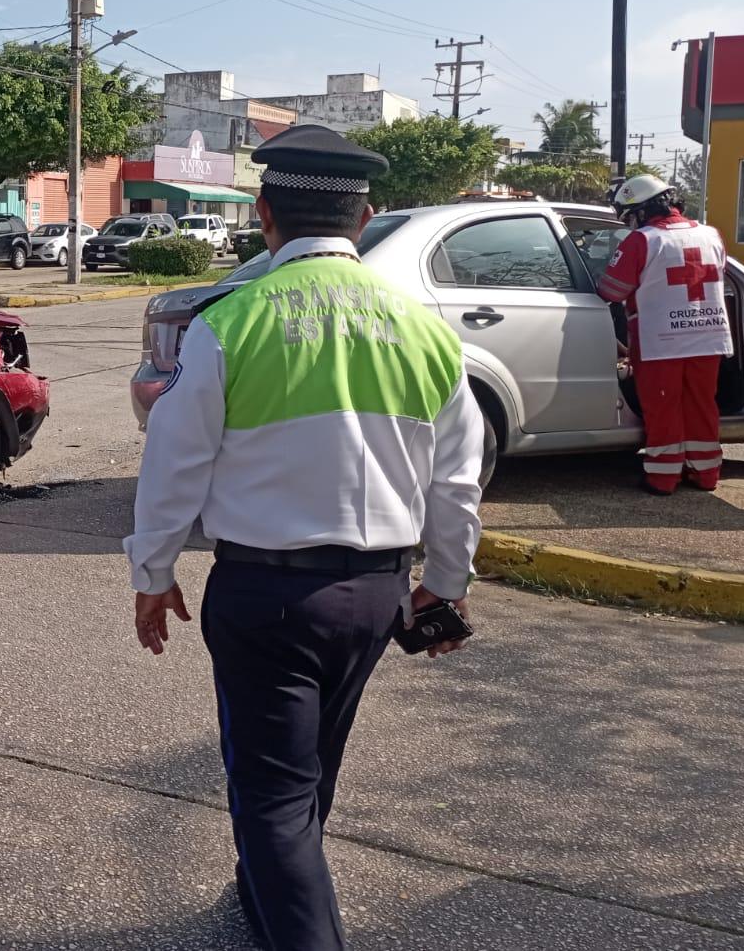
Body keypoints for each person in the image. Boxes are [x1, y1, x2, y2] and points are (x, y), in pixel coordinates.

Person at [123, 124, 484, 951]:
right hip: (377, 596)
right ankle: (266, 892)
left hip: (266, 596)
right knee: (310, 769)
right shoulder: (429, 332)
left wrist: (153, 570)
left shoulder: (232, 321)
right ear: (365, 219)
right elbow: (457, 482)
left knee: (274, 795)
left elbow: (175, 462)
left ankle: (294, 915)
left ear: (263, 215)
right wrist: (447, 584)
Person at [596, 175, 732, 494]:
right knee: (702, 404)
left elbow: (611, 291)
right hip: (708, 336)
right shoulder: (711, 235)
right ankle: (706, 473)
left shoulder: (643, 240)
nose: (630, 223)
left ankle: (662, 477)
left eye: (630, 216)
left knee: (663, 406)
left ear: (643, 210)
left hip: (661, 341)